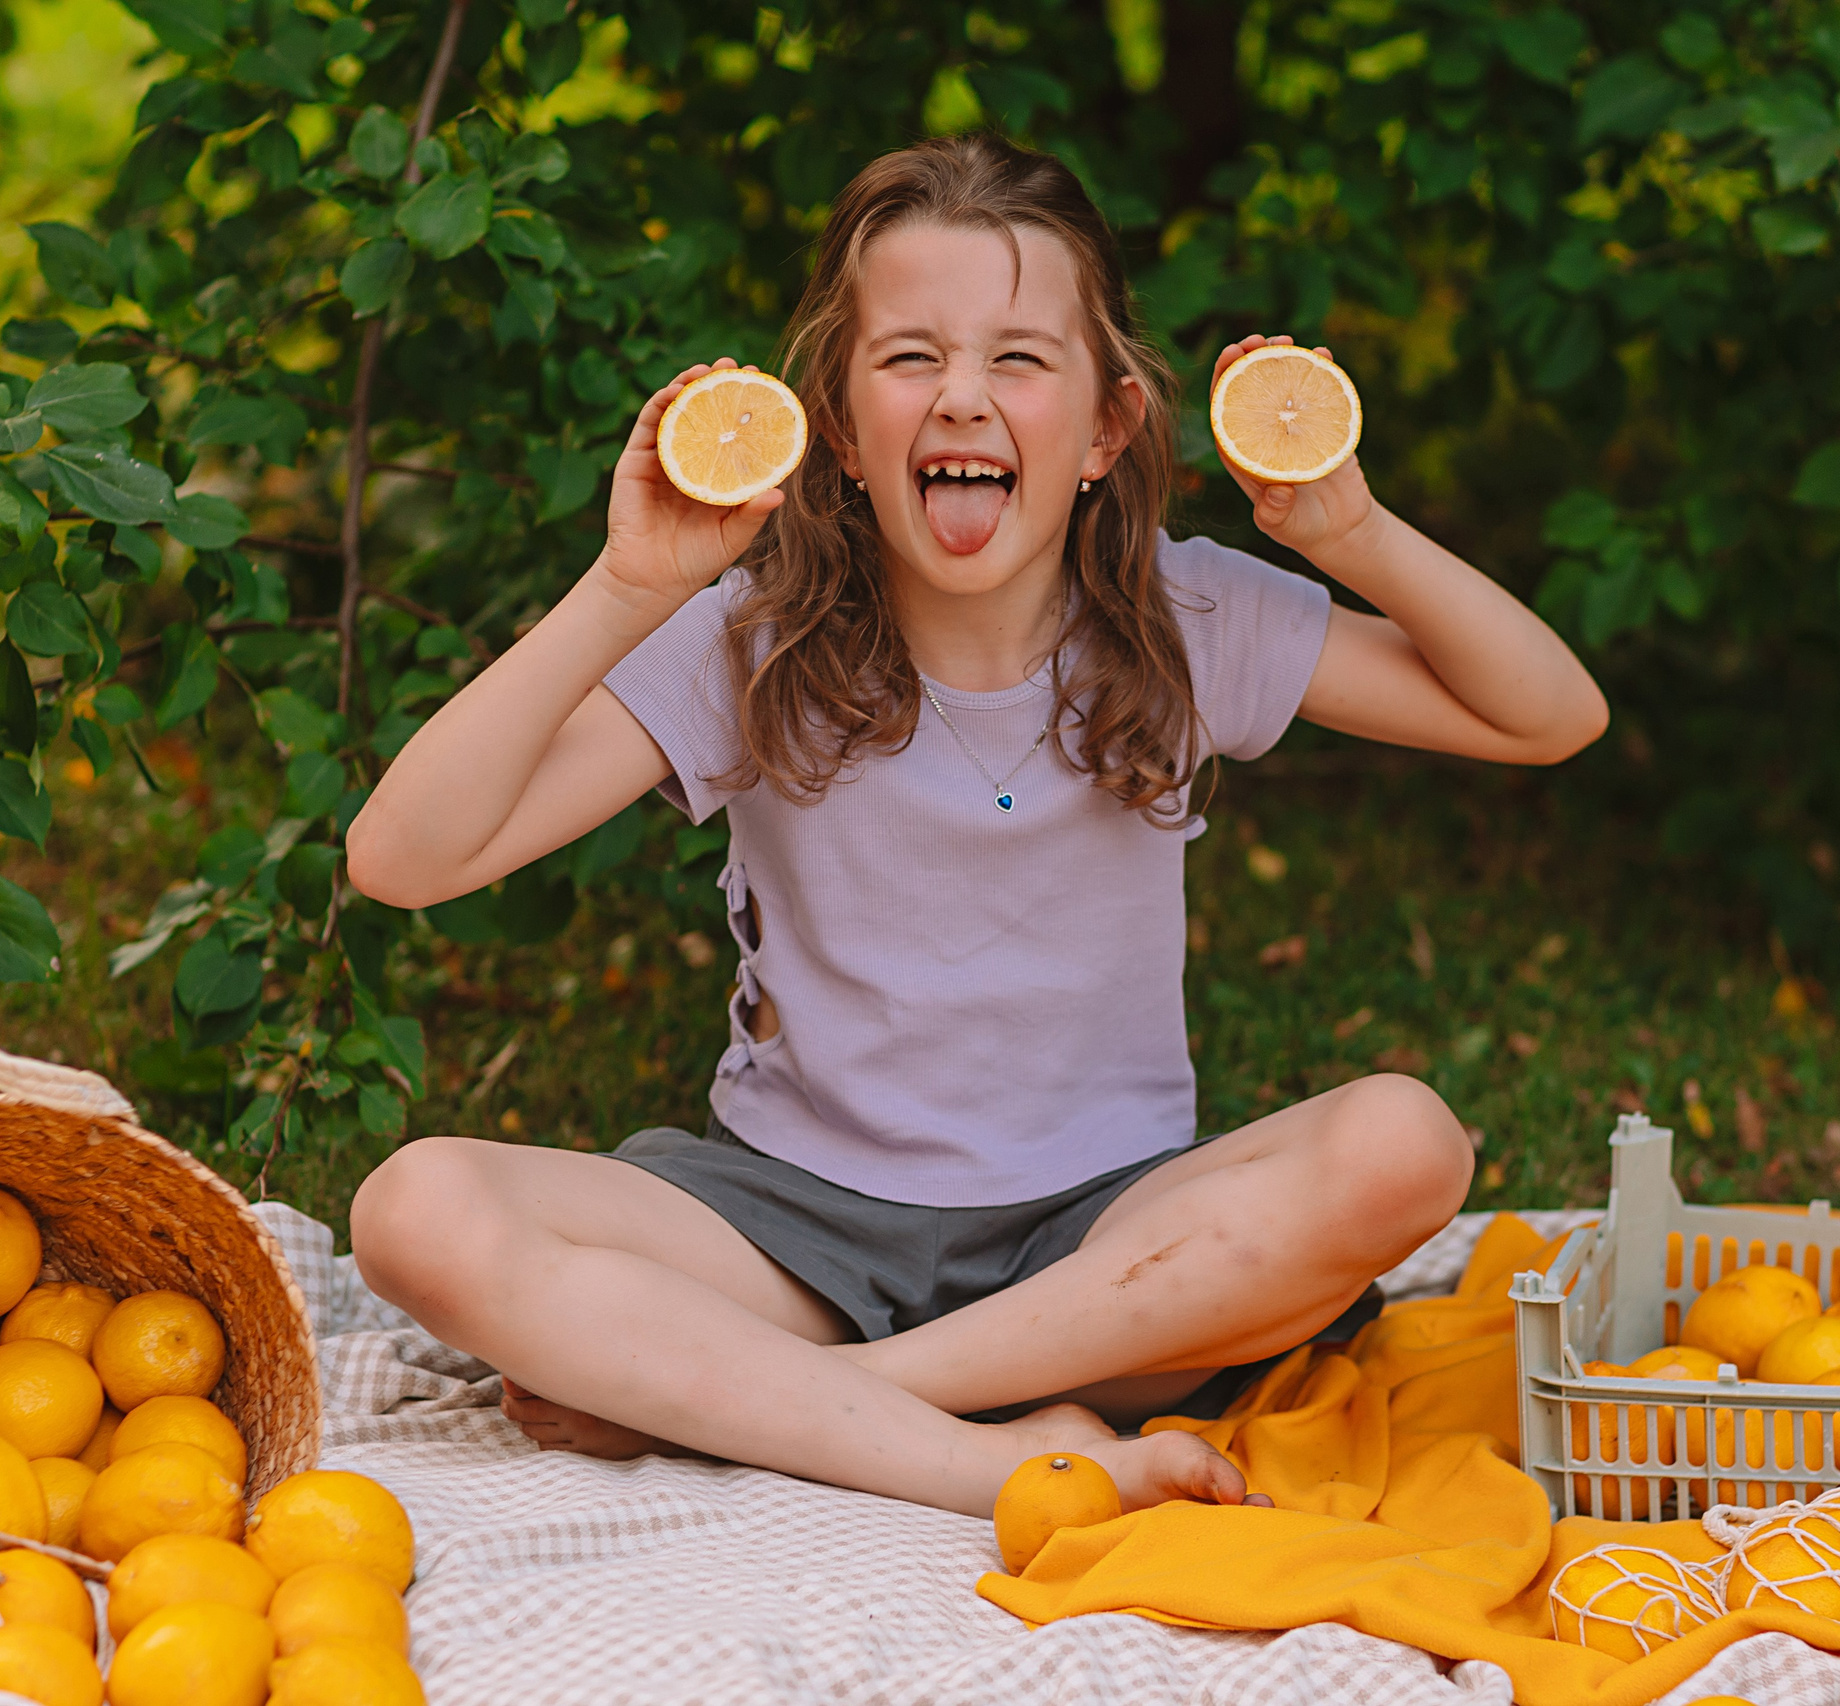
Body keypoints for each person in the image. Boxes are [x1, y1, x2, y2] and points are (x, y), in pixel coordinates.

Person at [345, 133, 1607, 1520]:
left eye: (1019, 357)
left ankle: (836, 1398)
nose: (962, 398)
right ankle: (980, 1450)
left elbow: (1546, 714)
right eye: (907, 358)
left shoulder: (1190, 620)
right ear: (836, 422)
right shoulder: (750, 637)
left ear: (1107, 427)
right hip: (790, 1232)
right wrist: (626, 582)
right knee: (416, 1209)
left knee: (1405, 1143)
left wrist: (1350, 528)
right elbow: (403, 859)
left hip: (1102, 1256)